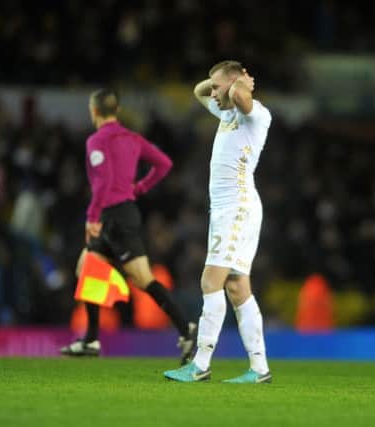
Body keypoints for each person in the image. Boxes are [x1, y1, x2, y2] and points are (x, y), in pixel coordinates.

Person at [60, 89, 196, 364]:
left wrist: (92, 216)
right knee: (88, 266)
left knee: (143, 278)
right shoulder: (132, 138)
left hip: (115, 217)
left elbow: (103, 181)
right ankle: (92, 338)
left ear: (94, 111)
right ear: (116, 111)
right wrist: (141, 187)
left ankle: (186, 329)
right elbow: (164, 163)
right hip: (122, 212)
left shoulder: (96, 141)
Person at [164, 61, 272, 383]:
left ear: (234, 85)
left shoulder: (256, 114)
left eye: (217, 86)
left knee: (210, 282)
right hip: (229, 210)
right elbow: (199, 91)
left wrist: (239, 85)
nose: (211, 93)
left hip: (237, 207)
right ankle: (259, 368)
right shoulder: (225, 113)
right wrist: (221, 84)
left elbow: (242, 99)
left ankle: (200, 364)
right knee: (237, 288)